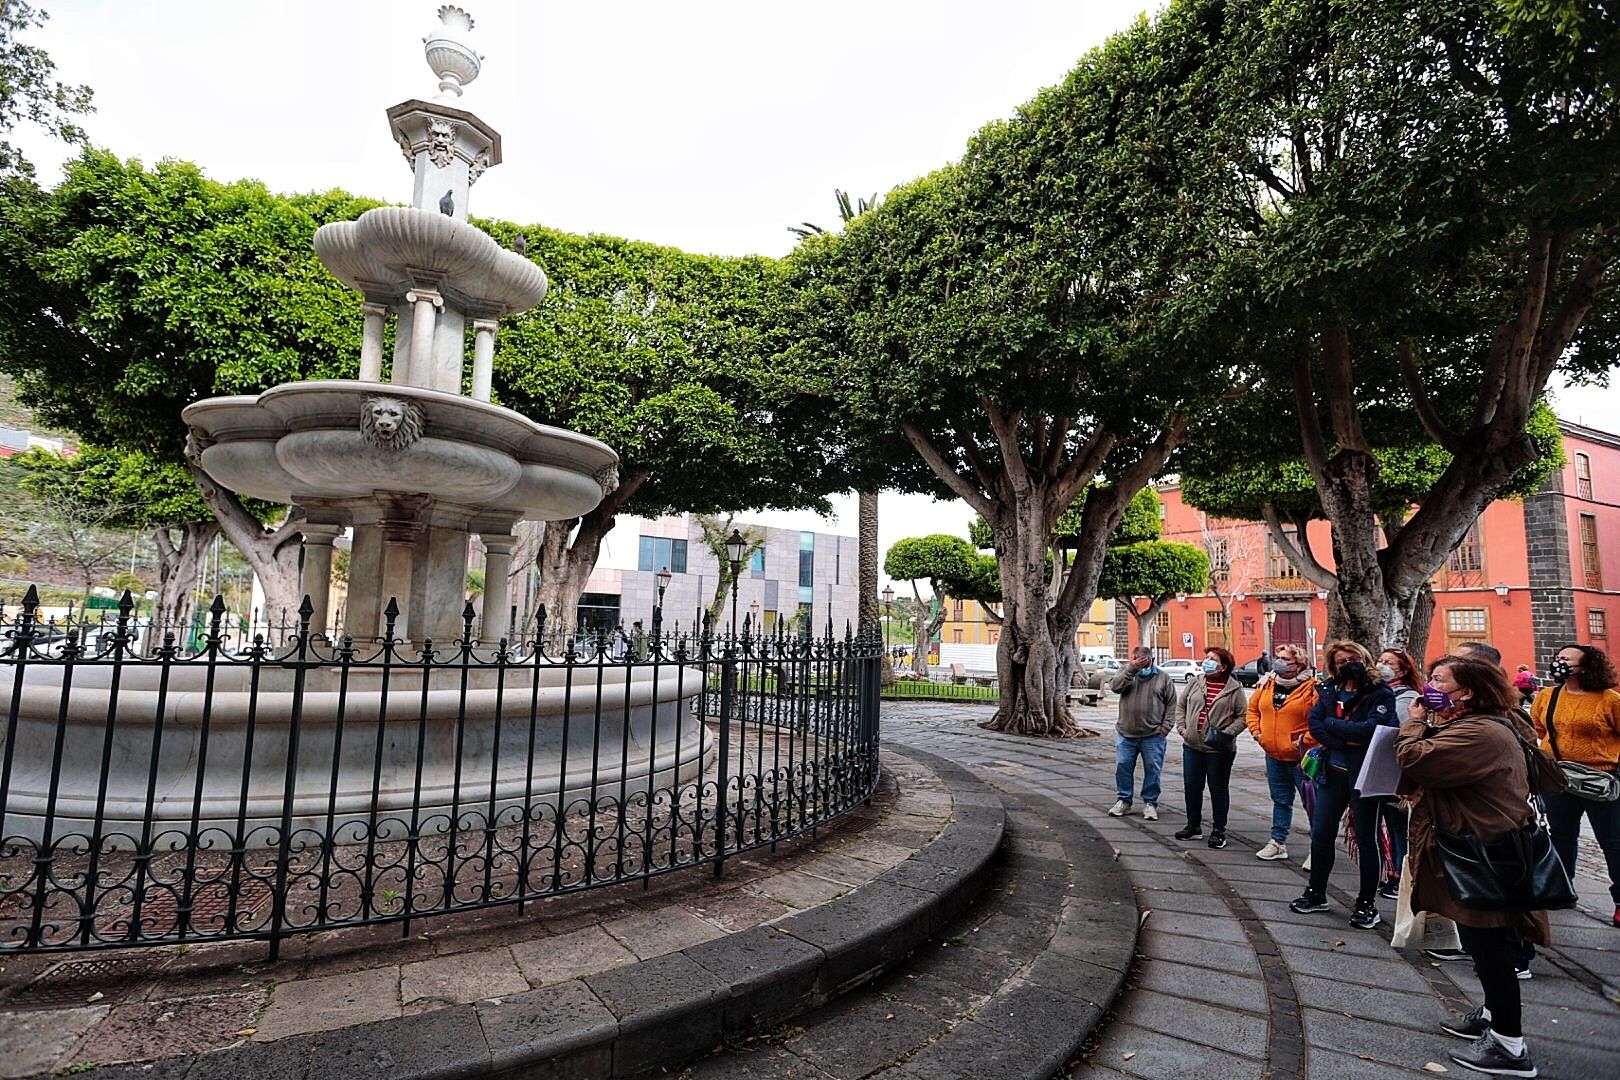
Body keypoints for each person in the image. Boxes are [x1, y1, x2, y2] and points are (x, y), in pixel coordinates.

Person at [1395, 657, 1551, 1078]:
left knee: (1490, 948)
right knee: (1481, 946)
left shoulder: (1481, 731)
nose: (1430, 685)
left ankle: (1510, 1047)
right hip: (1476, 848)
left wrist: (1414, 722)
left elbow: (1416, 759)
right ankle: (1493, 1015)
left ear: (1467, 692)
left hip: (1486, 855)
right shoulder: (1476, 723)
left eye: (1440, 680)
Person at [1289, 640, 1398, 929]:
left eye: (1352, 658)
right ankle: (1316, 892)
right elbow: (1315, 726)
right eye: (1340, 661)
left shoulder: (1379, 693)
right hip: (1332, 772)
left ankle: (1366, 904)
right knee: (1321, 832)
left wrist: (1334, 728)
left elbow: (1375, 731)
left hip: (1365, 775)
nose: (1346, 664)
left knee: (1367, 838)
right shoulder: (1328, 690)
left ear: (1364, 658)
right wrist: (1345, 738)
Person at [1530, 643, 1620, 929]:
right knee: (1561, 836)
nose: (1560, 663)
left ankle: (1619, 901)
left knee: (1613, 842)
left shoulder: (1609, 700)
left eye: (1567, 659)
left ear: (1586, 666)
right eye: (1558, 658)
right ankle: (1561, 888)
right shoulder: (1548, 696)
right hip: (1559, 778)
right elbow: (1537, 730)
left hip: (1600, 779)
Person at [1245, 642, 1319, 861]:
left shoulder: (1313, 688)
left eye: (1286, 659)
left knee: (1312, 804)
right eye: (1279, 657)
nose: (1279, 662)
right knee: (1281, 800)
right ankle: (1277, 842)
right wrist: (1258, 733)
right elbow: (1253, 710)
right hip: (1273, 755)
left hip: (1302, 758)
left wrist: (1304, 741)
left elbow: (1319, 721)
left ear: (1299, 664)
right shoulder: (1266, 684)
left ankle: (1318, 848)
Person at [1174, 646, 1248, 848]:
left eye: (1212, 659)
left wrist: (1228, 733)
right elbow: (1181, 706)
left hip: (1219, 749)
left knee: (1218, 789)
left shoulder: (1234, 689)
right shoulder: (1195, 682)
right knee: (1192, 787)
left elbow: (1243, 717)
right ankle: (1193, 825)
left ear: (1223, 666)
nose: (1206, 661)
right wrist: (1182, 728)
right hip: (1192, 745)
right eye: (1206, 657)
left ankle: (1218, 830)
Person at [1374, 648, 1423, 898]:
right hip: (1382, 771)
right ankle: (1392, 872)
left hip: (1396, 773)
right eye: (1380, 661)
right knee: (1387, 826)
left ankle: (1402, 876)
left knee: (1399, 827)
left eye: (1388, 663)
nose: (1382, 665)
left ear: (1403, 670)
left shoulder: (1407, 698)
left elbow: (1397, 729)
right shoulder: (1379, 692)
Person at [1108, 646, 1176, 820]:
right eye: (1135, 658)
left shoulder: (1163, 677)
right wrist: (1132, 669)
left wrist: (1165, 728)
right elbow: (1115, 687)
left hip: (1153, 734)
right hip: (1126, 732)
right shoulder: (1126, 672)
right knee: (1123, 766)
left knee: (1152, 768)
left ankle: (1150, 802)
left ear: (1151, 659)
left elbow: (1171, 704)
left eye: (1142, 660)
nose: (1139, 662)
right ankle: (1124, 800)